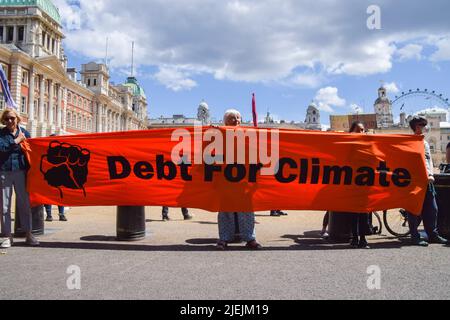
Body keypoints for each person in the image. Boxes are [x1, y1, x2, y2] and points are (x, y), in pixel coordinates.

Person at [216, 109, 261, 250]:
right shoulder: (217, 135)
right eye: (232, 118)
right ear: (225, 121)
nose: (236, 121)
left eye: (238, 118)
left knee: (246, 210)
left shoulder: (248, 135)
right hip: (225, 179)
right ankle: (224, 239)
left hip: (244, 180)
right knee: (225, 211)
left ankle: (250, 238)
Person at [0, 109, 39, 248]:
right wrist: (17, 140)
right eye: (6, 119)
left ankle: (29, 234)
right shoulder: (1, 134)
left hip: (21, 172)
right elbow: (2, 148)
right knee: (4, 206)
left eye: (12, 118)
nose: (9, 121)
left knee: (24, 204)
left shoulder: (25, 133)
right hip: (4, 172)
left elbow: (33, 150)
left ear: (17, 118)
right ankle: (6, 236)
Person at [407, 116, 448, 246]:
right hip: (415, 181)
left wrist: (430, 174)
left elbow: (427, 161)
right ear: (417, 127)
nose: (425, 127)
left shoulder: (424, 142)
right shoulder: (410, 142)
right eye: (423, 125)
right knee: (414, 209)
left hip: (427, 180)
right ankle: (415, 236)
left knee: (432, 208)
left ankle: (432, 234)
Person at [348, 121, 371, 249]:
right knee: (354, 212)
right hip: (352, 181)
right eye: (358, 130)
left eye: (362, 130)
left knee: (364, 212)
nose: (361, 132)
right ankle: (355, 238)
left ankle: (363, 238)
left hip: (364, 182)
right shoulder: (348, 145)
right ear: (352, 131)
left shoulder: (367, 144)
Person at [44, 133, 67, 222]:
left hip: (59, 176)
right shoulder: (46, 151)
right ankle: (49, 214)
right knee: (49, 196)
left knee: (60, 196)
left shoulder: (62, 152)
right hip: (50, 175)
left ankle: (61, 214)